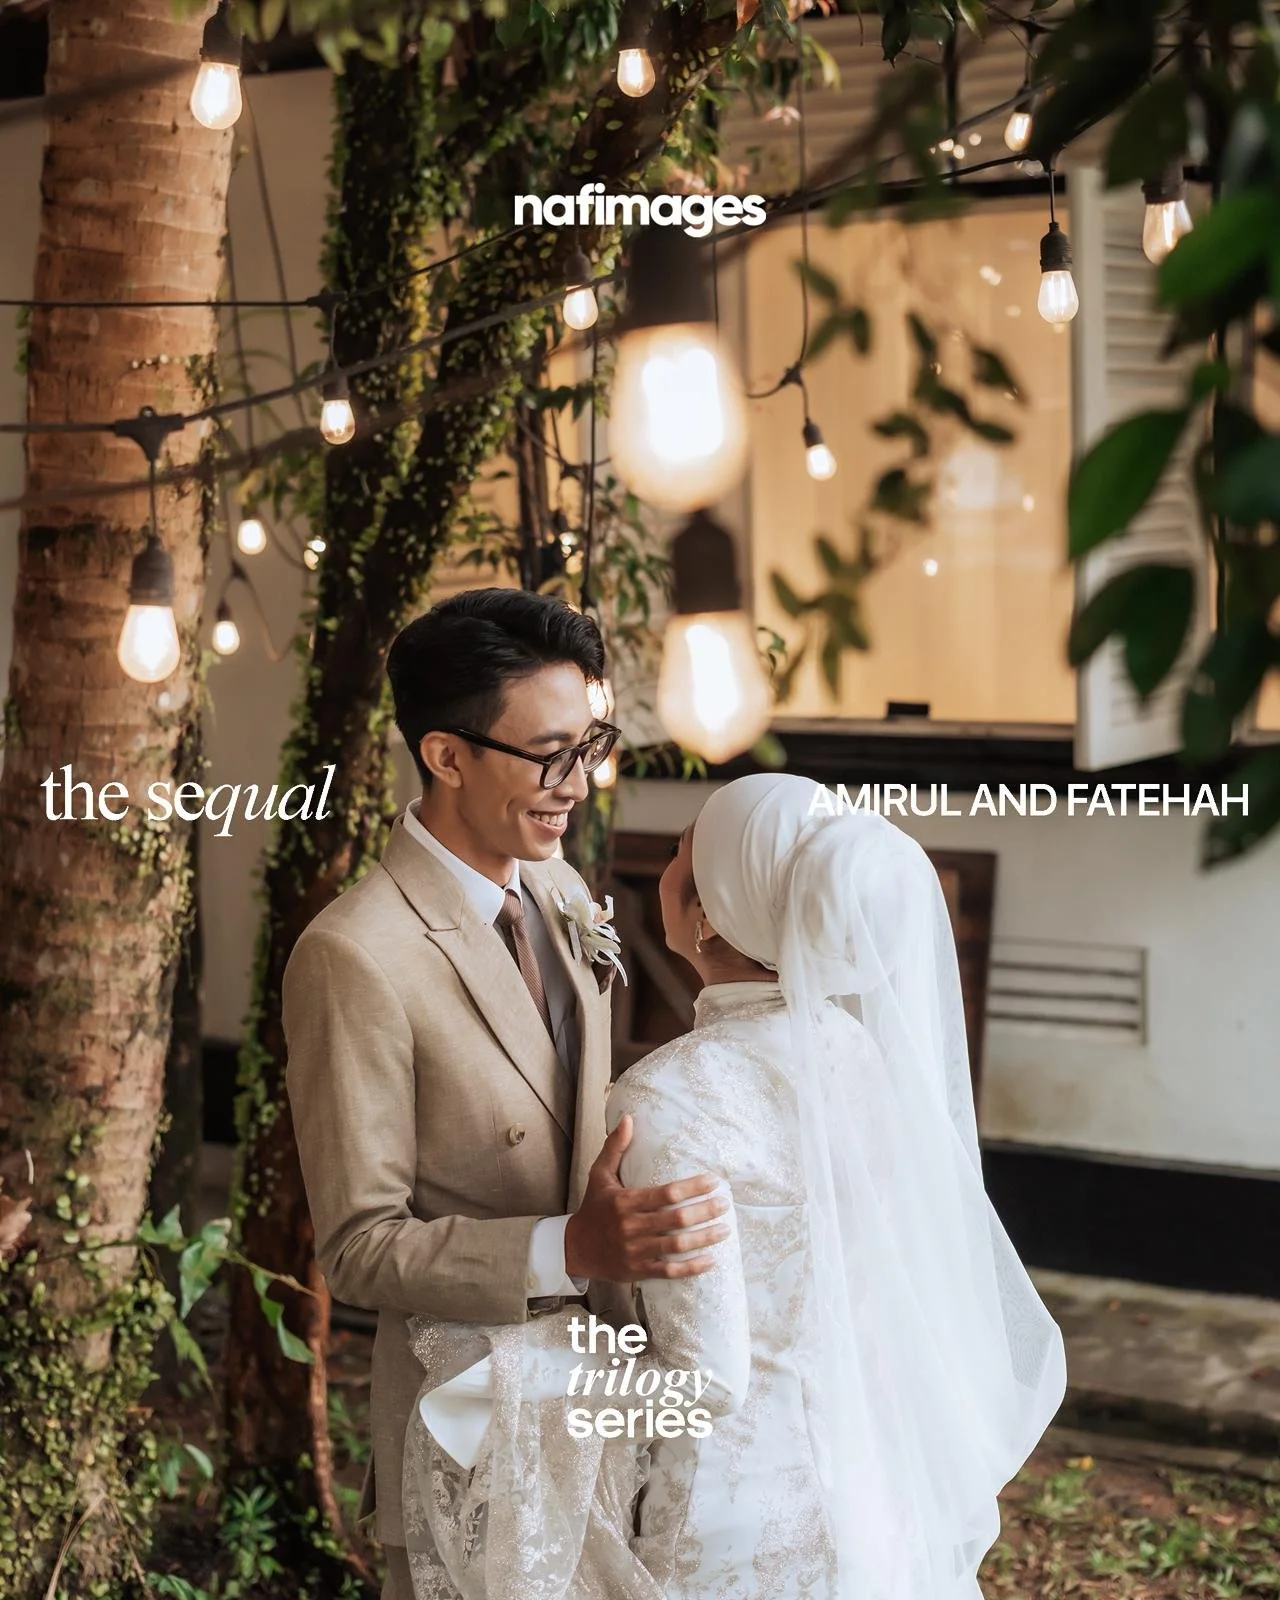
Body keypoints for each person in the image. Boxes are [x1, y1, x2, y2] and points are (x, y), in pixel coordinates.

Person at [403, 771, 1068, 1600]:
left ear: (709, 914)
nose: (667, 863)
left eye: (681, 850)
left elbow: (705, 1385)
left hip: (731, 1527)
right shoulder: (856, 1053)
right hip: (867, 1489)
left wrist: (508, 1376)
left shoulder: (670, 1095)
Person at [282, 589, 731, 1600]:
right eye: (549, 755)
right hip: (469, 1432)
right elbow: (358, 1248)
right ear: (446, 756)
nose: (577, 783)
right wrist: (569, 1247)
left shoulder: (561, 887)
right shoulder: (354, 955)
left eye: (589, 746)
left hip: (606, 1397)